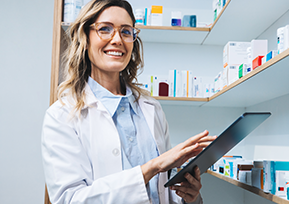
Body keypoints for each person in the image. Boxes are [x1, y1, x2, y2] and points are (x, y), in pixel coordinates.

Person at [41, 0, 216, 203]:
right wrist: (152, 168)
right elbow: (69, 199)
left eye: (126, 31)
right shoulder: (62, 115)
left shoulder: (151, 108)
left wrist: (189, 198)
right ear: (85, 39)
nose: (117, 40)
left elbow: (163, 192)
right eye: (104, 29)